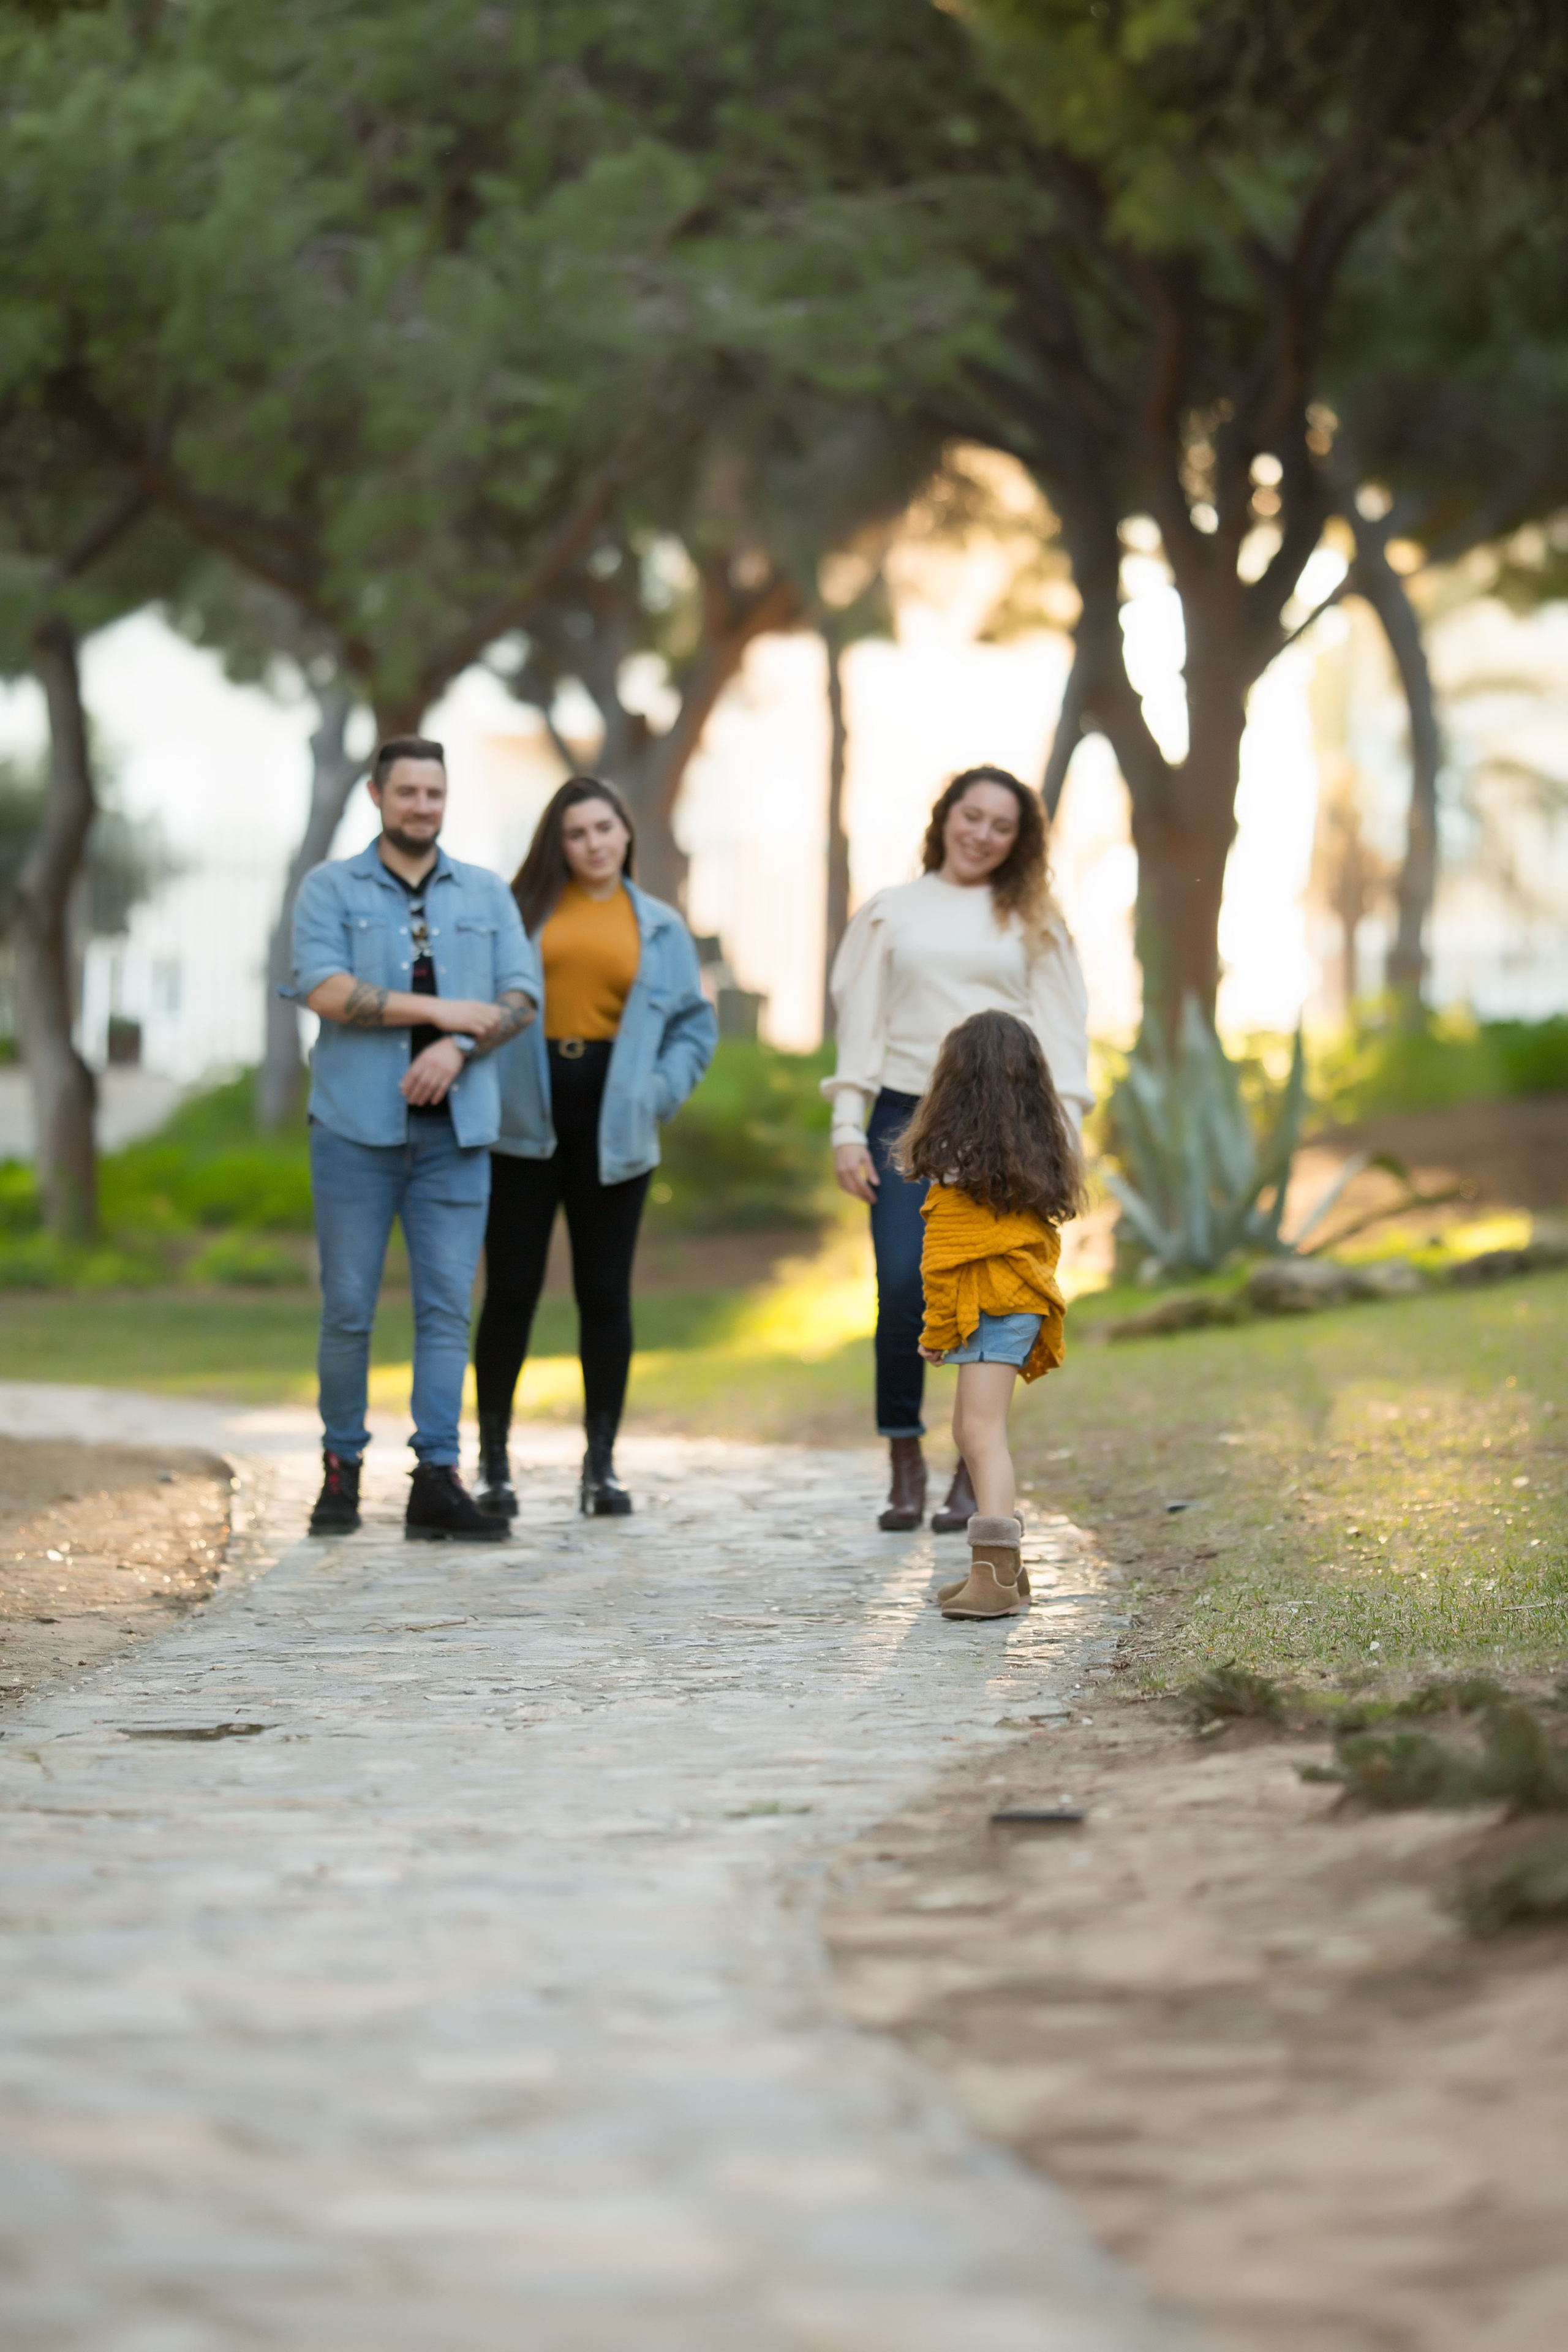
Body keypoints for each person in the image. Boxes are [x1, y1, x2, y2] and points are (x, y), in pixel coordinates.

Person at [823, 766, 1091, 1531]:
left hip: (1008, 1124)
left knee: (995, 1293)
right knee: (905, 1284)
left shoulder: (1034, 919)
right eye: (969, 817)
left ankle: (974, 1467)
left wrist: (1064, 1142)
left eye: (1000, 826)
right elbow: (860, 1027)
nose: (980, 835)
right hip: (908, 1116)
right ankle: (903, 1456)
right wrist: (848, 1126)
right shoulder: (890, 913)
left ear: (1020, 841)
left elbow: (1064, 1037)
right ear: (945, 818)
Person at [292, 736, 538, 1542]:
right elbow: (324, 989)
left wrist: (460, 1046)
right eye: (407, 792)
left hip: (458, 1138)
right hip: (355, 1134)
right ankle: (341, 1474)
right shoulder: (331, 889)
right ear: (376, 796)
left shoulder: (487, 892)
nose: (422, 806)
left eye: (434, 792)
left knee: (444, 1310)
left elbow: (520, 997)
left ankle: (437, 1479)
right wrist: (438, 1012)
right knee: (350, 1309)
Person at [474, 776, 716, 1519]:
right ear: (559, 841)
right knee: (511, 1293)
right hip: (523, 1119)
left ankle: (601, 1467)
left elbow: (693, 1026)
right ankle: (493, 1465)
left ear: (626, 833)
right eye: (577, 833)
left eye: (604, 829)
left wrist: (658, 1093)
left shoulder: (663, 928)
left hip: (616, 1122)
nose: (593, 845)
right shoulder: (517, 913)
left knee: (604, 1296)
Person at [903, 1008, 1084, 1618]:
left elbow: (942, 1261)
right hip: (1014, 1303)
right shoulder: (1030, 1155)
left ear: (953, 1081)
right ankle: (1004, 1571)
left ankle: (993, 1578)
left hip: (990, 1307)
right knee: (969, 1432)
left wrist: (935, 1329)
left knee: (981, 1435)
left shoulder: (957, 1165)